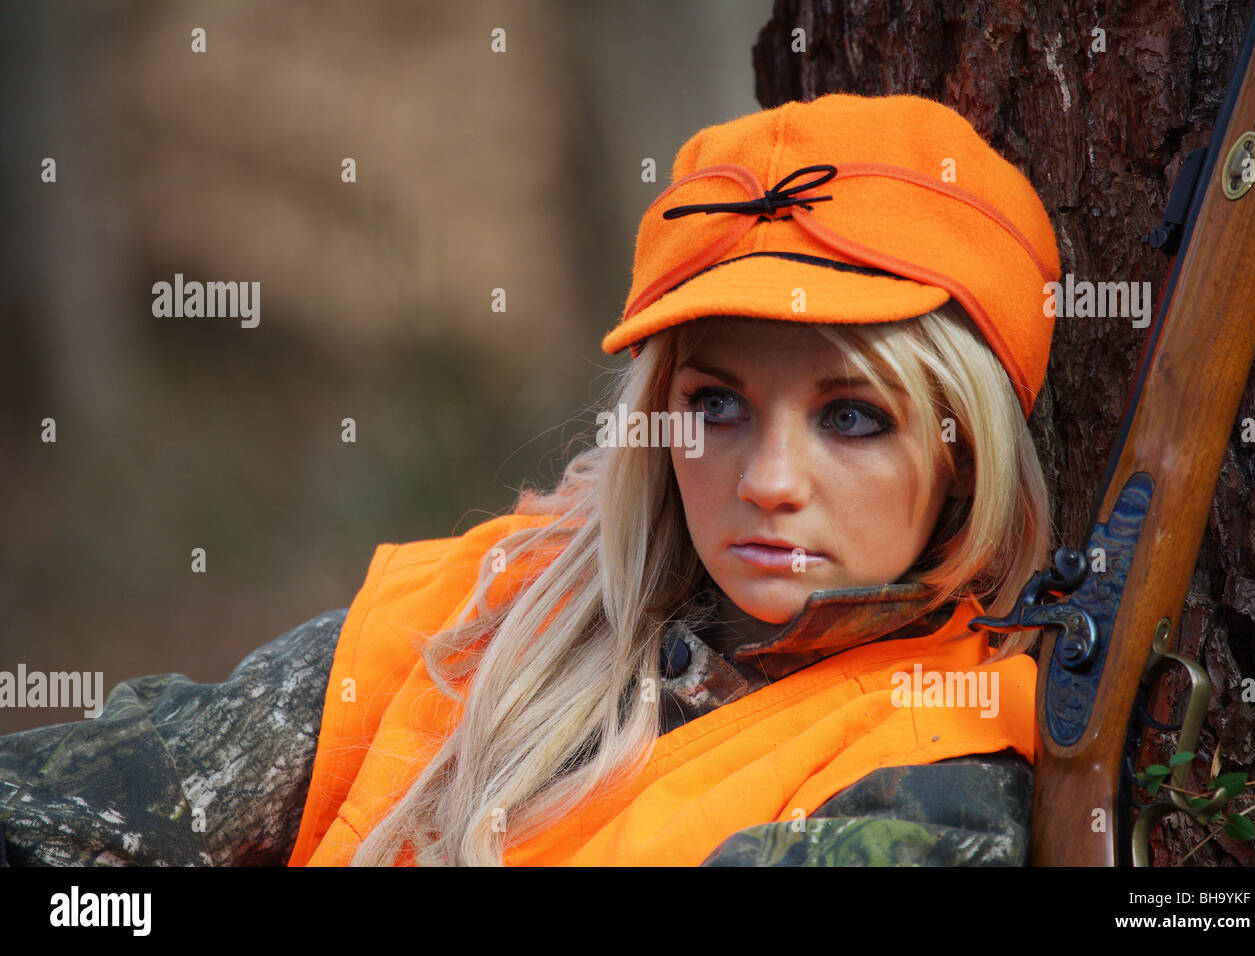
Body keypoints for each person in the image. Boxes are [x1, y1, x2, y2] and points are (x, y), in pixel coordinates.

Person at [0, 92, 1059, 867]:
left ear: (963, 450)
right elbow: (70, 815)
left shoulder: (946, 768)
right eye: (715, 404)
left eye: (851, 417)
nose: (770, 480)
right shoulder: (481, 608)